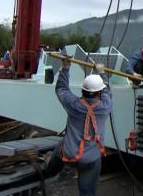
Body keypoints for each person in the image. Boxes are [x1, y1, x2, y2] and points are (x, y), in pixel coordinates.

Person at [45, 59, 111, 196]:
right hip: (91, 160)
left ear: (82, 90)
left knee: (61, 145)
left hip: (70, 155)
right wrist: (102, 73)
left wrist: (65, 67)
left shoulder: (73, 105)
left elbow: (61, 88)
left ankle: (49, 172)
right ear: (99, 92)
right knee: (87, 192)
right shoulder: (105, 107)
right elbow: (107, 92)